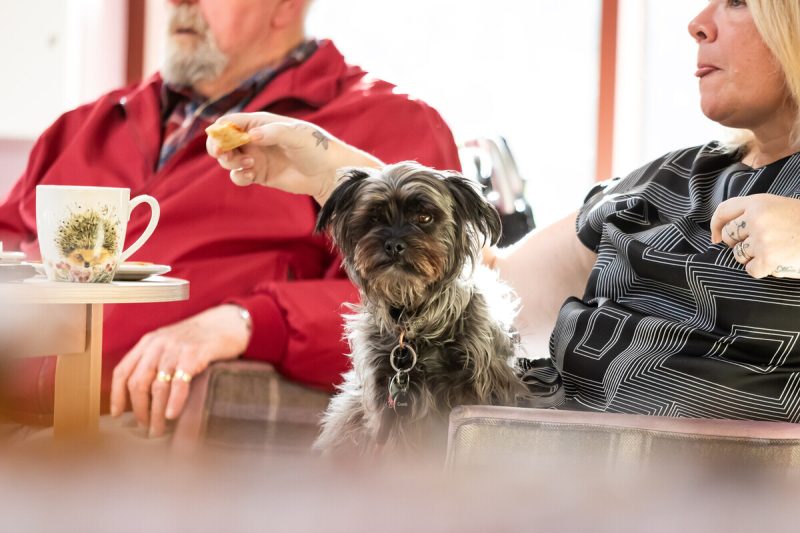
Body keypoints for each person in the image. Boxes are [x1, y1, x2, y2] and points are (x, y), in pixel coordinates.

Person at [208, 0, 800, 422]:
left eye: (739, 2)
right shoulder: (670, 178)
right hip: (523, 455)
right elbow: (493, 279)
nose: (697, 24)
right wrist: (327, 168)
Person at [0, 0, 460, 437]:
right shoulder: (80, 127)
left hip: (137, 433)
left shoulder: (389, 124)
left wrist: (250, 320)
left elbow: (431, 307)